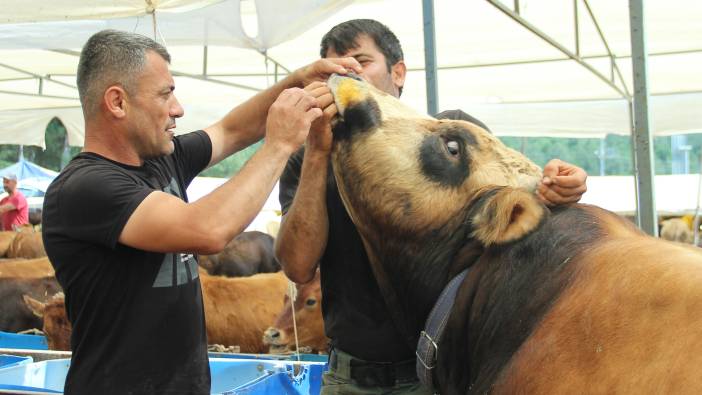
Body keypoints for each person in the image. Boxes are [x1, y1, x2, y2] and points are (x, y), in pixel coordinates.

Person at [275, 19, 588, 394]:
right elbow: (296, 265)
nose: (347, 74)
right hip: (350, 378)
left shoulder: (451, 131)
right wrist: (316, 152)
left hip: (446, 374)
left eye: (361, 61)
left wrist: (558, 184)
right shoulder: (308, 158)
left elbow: (522, 193)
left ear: (398, 72)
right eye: (333, 66)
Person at [41, 29, 360, 395]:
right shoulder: (85, 188)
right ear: (117, 102)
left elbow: (233, 129)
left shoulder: (162, 160)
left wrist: (298, 81)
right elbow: (208, 229)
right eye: (166, 94)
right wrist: (281, 143)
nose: (178, 108)